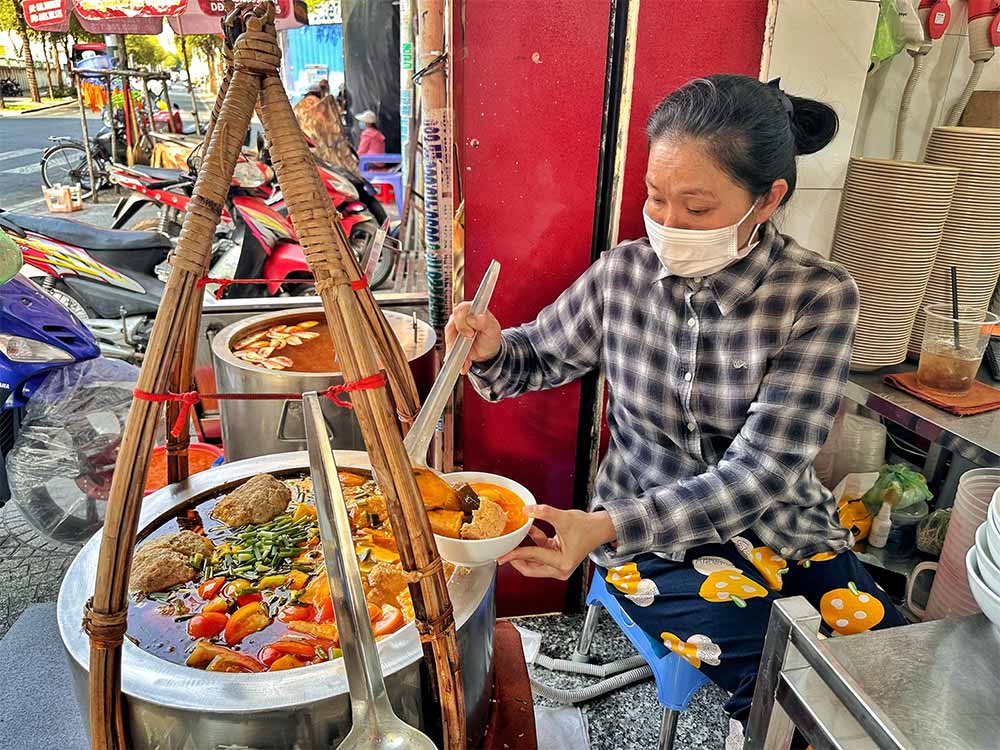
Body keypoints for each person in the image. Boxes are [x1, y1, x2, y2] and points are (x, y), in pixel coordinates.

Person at [445, 74, 904, 748]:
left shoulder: (819, 295)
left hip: (781, 528)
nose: (665, 225)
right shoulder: (622, 274)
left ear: (767, 200)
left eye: (696, 207)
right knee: (791, 688)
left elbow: (762, 473)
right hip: (645, 539)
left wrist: (600, 524)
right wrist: (490, 349)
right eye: (656, 199)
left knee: (884, 674)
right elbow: (531, 360)